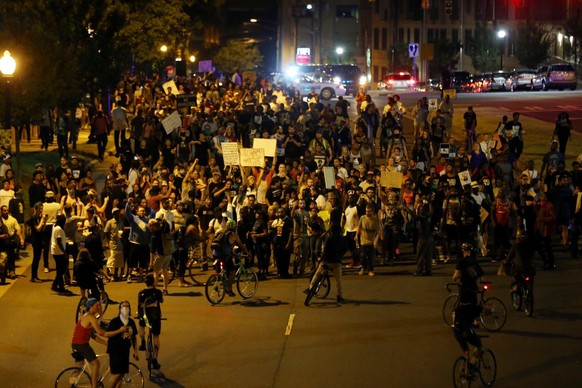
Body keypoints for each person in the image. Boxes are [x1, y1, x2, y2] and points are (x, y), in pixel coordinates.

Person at [72, 298, 128, 388]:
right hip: (81, 345)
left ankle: (73, 381)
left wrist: (105, 343)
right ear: (91, 307)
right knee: (96, 364)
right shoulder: (91, 317)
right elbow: (103, 333)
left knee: (79, 368)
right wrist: (119, 331)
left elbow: (93, 336)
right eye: (96, 305)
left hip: (76, 343)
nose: (98, 307)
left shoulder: (85, 315)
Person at [452, 243, 483, 374]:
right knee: (479, 345)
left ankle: (464, 371)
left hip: (457, 329)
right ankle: (471, 366)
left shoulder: (461, 262)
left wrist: (455, 278)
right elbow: (479, 274)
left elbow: (456, 276)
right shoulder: (473, 260)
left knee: (466, 351)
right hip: (472, 289)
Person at [305, 224, 345, 303]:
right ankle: (339, 296)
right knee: (338, 281)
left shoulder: (329, 239)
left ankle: (310, 288)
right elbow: (344, 249)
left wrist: (321, 258)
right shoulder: (342, 239)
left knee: (317, 274)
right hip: (336, 262)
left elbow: (325, 250)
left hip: (327, 261)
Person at [211, 219, 250, 295]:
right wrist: (248, 253)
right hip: (224, 255)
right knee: (232, 272)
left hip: (215, 254)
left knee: (222, 271)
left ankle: (219, 281)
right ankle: (229, 289)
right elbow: (241, 245)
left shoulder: (221, 232)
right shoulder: (234, 235)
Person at [107, 301, 139, 388]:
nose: (125, 308)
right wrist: (119, 331)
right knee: (117, 374)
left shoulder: (131, 322)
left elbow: (134, 338)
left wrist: (135, 351)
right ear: (119, 308)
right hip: (115, 350)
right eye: (123, 306)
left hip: (125, 351)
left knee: (121, 375)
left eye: (127, 306)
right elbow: (108, 334)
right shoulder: (115, 321)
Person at [137, 274, 164, 370]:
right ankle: (155, 358)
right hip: (155, 316)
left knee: (141, 325)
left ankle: (143, 341)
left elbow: (139, 306)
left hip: (145, 316)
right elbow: (162, 301)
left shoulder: (141, 293)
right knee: (156, 336)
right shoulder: (157, 292)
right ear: (153, 282)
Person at [356, 204, 381, 276]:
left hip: (371, 242)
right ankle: (363, 268)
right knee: (363, 255)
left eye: (369, 211)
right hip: (363, 241)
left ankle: (370, 270)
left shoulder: (376, 220)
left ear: (372, 212)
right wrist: (356, 235)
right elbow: (359, 227)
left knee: (371, 256)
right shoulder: (362, 218)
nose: (367, 213)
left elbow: (379, 232)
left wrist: (376, 241)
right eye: (366, 211)